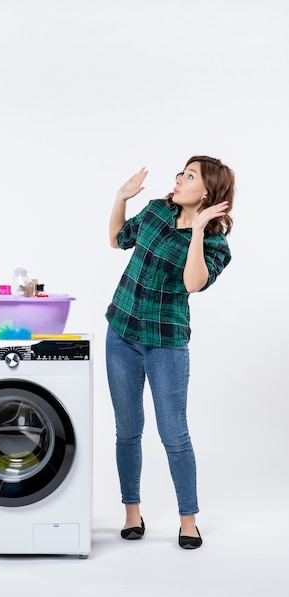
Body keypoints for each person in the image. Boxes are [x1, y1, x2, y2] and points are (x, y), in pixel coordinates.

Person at [105, 155, 234, 549]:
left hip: (166, 343)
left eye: (189, 175)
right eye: (181, 172)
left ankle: (188, 519)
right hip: (122, 332)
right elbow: (117, 239)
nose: (178, 179)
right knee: (127, 430)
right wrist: (121, 198)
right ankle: (131, 512)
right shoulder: (156, 211)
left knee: (174, 433)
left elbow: (193, 283)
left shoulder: (215, 243)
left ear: (208, 192)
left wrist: (196, 231)